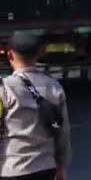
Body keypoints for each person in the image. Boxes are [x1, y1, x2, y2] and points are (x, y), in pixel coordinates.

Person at [0, 32, 71, 180]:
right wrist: (61, 166)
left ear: (10, 55)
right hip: (46, 167)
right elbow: (62, 132)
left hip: (12, 169)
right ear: (39, 54)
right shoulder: (54, 86)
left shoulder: (5, 89)